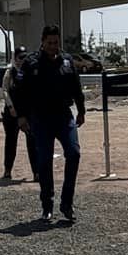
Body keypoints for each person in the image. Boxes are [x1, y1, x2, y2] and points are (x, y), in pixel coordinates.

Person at [12, 24, 86, 226]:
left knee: (74, 153)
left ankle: (66, 204)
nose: (54, 46)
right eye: (50, 43)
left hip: (64, 116)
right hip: (41, 118)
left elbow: (76, 88)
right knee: (44, 161)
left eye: (56, 42)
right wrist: (21, 117)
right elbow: (18, 91)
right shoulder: (31, 63)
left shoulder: (67, 62)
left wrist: (81, 110)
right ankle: (47, 206)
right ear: (43, 42)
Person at [0, 55, 23, 182]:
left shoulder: (29, 70)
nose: (21, 60)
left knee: (33, 142)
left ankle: (36, 172)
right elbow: (5, 90)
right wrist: (11, 107)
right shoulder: (10, 72)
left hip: (26, 112)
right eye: (19, 57)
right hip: (11, 112)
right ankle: (7, 171)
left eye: (23, 57)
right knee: (11, 142)